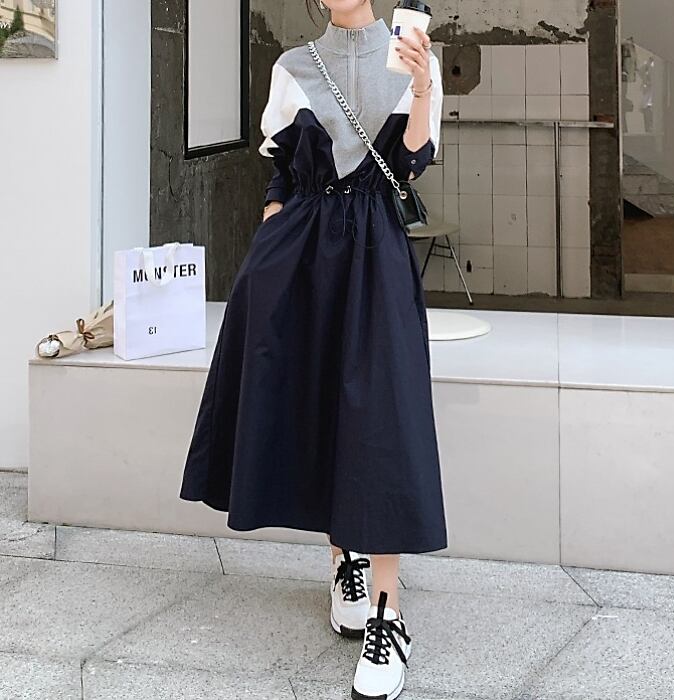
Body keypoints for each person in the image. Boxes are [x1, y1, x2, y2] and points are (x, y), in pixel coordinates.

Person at [179, 1, 447, 697]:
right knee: (314, 402)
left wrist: (421, 87)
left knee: (382, 421)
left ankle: (388, 612)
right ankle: (342, 561)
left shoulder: (414, 59)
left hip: (375, 255)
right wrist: (269, 242)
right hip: (296, 257)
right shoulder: (293, 65)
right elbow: (281, 172)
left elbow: (411, 163)